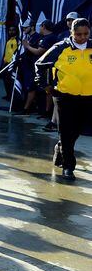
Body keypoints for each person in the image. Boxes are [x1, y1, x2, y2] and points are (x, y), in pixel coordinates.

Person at [36, 18, 91, 182]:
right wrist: (45, 85)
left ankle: (61, 146)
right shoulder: (61, 47)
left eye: (85, 34)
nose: (82, 37)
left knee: (78, 129)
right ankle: (68, 167)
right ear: (71, 33)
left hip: (88, 96)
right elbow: (40, 64)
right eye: (78, 34)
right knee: (67, 130)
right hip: (64, 95)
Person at [2, 26, 19, 101]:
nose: (11, 32)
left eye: (13, 30)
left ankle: (11, 96)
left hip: (12, 64)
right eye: (10, 30)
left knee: (10, 81)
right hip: (6, 64)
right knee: (6, 81)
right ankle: (8, 95)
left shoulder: (17, 41)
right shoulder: (9, 41)